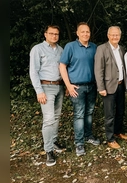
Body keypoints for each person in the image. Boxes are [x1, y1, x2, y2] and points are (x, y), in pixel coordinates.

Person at [59, 22, 100, 157]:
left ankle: (88, 135)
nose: (85, 34)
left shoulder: (94, 47)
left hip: (92, 86)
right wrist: (68, 85)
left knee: (89, 112)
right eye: (82, 32)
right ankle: (79, 142)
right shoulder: (70, 47)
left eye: (87, 32)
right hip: (77, 87)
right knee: (79, 114)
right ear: (77, 33)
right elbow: (62, 66)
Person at [29, 25, 65, 166]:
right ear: (45, 34)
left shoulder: (61, 50)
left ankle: (54, 141)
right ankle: (48, 151)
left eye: (56, 34)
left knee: (56, 116)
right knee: (49, 119)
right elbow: (33, 71)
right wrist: (39, 91)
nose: (54, 36)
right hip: (45, 87)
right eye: (51, 33)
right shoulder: (37, 49)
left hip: (59, 86)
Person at [94, 26, 127, 150]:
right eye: (112, 35)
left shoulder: (121, 49)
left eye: (117, 35)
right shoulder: (102, 49)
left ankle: (118, 131)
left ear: (120, 35)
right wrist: (101, 87)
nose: (115, 37)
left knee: (120, 111)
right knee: (109, 114)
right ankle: (110, 138)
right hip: (108, 87)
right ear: (108, 36)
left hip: (120, 85)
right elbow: (98, 70)